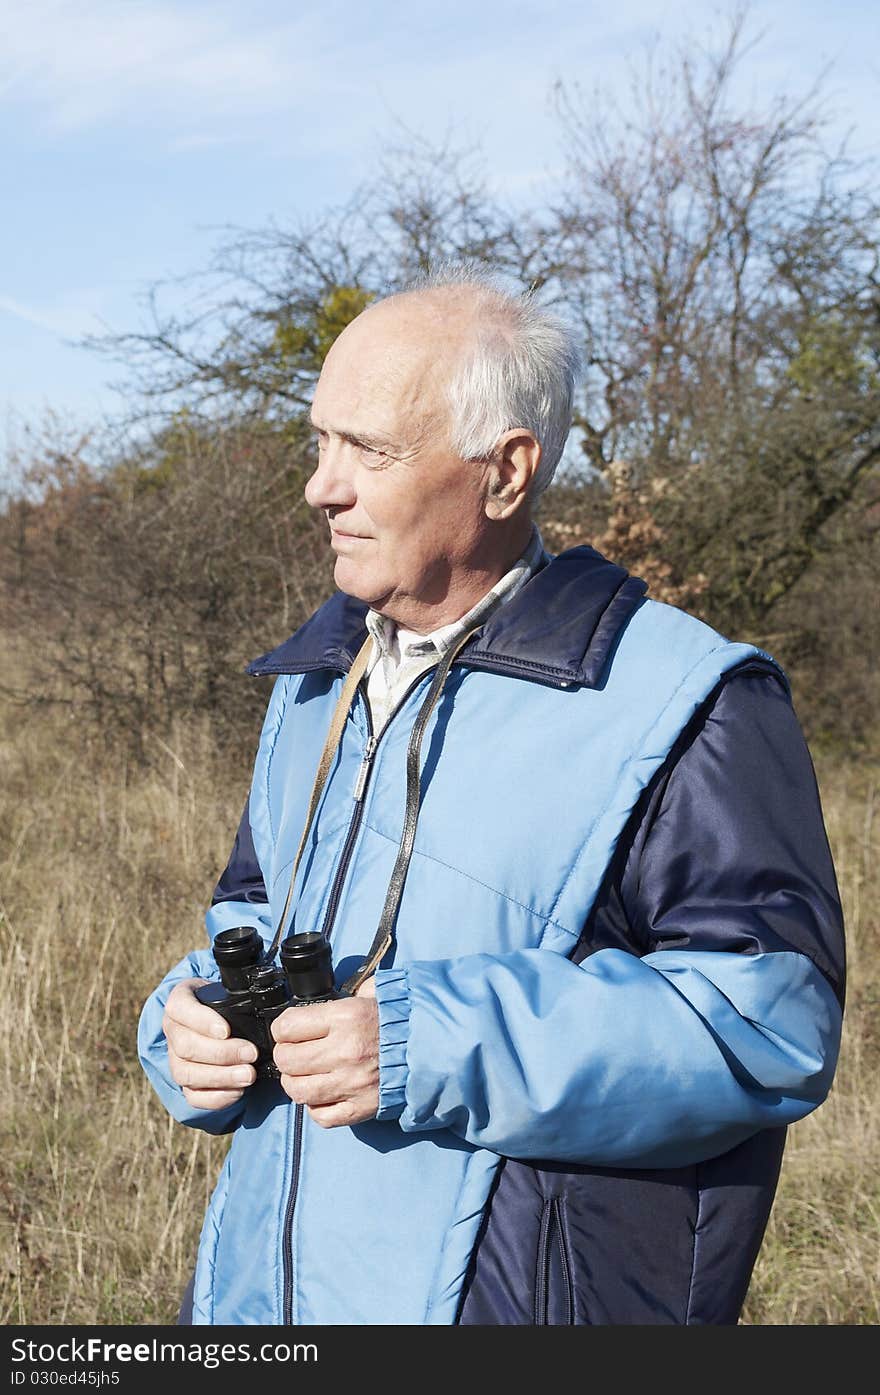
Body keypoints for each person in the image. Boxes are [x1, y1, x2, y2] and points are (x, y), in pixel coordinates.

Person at [137, 264, 845, 1327]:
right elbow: (253, 916)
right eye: (318, 442)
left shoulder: (683, 699)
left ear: (506, 472)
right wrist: (187, 1023)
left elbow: (767, 1024)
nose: (319, 487)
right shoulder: (314, 682)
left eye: (366, 450)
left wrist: (431, 1043)